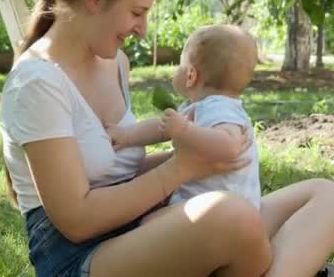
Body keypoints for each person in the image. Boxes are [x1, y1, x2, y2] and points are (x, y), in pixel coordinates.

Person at [0, 0, 334, 276]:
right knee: (231, 216)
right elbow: (76, 220)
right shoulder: (37, 83)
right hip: (81, 255)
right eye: (137, 12)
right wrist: (182, 167)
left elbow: (116, 170)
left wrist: (210, 153)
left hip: (147, 225)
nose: (142, 29)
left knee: (325, 195)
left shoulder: (114, 63)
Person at [107, 24, 262, 209]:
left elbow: (229, 147)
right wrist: (128, 136)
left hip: (220, 211)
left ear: (191, 75)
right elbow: (161, 127)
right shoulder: (199, 107)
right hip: (209, 206)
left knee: (147, 223)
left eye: (180, 65)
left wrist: (184, 130)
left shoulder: (220, 108)